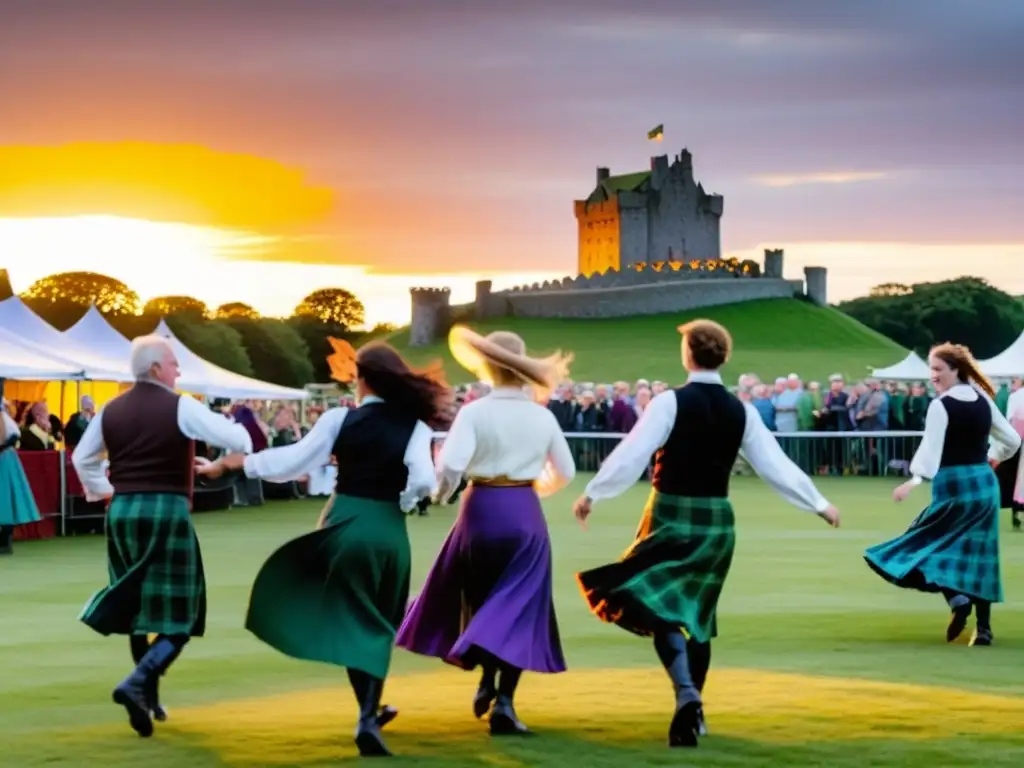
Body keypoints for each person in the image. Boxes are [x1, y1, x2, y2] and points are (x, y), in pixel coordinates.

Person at [572, 320, 840, 749]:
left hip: (670, 514)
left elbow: (633, 453)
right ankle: (695, 714)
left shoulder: (668, 403)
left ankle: (686, 692)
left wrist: (593, 493)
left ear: (688, 355)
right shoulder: (742, 409)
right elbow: (774, 464)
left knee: (655, 604)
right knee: (698, 617)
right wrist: (819, 504)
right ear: (724, 356)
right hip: (717, 521)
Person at [197, 341, 448, 757]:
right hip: (388, 532)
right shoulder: (416, 427)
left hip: (343, 523)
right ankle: (370, 713)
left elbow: (291, 463)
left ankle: (369, 713)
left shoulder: (337, 419)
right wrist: (403, 502)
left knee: (353, 620)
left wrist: (233, 464)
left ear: (361, 378)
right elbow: (424, 480)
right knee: (379, 623)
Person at [72, 335, 254, 737]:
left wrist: (104, 491)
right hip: (166, 511)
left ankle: (148, 698)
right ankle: (137, 683)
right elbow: (240, 441)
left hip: (121, 511)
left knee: (139, 609)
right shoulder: (181, 406)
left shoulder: (109, 410)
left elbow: (81, 458)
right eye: (173, 363)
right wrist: (219, 462)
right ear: (156, 368)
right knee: (181, 615)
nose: (178, 370)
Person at [396, 326, 575, 737]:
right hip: (524, 510)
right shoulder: (542, 415)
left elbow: (452, 464)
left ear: (488, 367)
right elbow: (564, 471)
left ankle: (486, 683)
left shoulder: (475, 412)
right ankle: (505, 702)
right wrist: (531, 488)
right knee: (520, 606)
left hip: (480, 509)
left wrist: (443, 494)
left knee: (481, 599)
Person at [864, 343, 1021, 646]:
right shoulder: (983, 399)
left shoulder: (941, 405)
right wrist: (993, 456)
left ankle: (957, 599)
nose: (932, 375)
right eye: (931, 369)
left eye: (938, 369)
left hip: (953, 484)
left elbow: (930, 451)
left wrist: (914, 480)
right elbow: (1012, 440)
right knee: (980, 555)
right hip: (985, 484)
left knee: (923, 543)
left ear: (956, 370)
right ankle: (984, 629)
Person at [0, 402, 42, 555]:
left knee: (5, 499)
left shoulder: (2, 415)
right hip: (6, 456)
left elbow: (7, 436)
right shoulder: (4, 414)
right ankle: (5, 540)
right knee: (7, 499)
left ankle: (4, 540)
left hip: (4, 457)